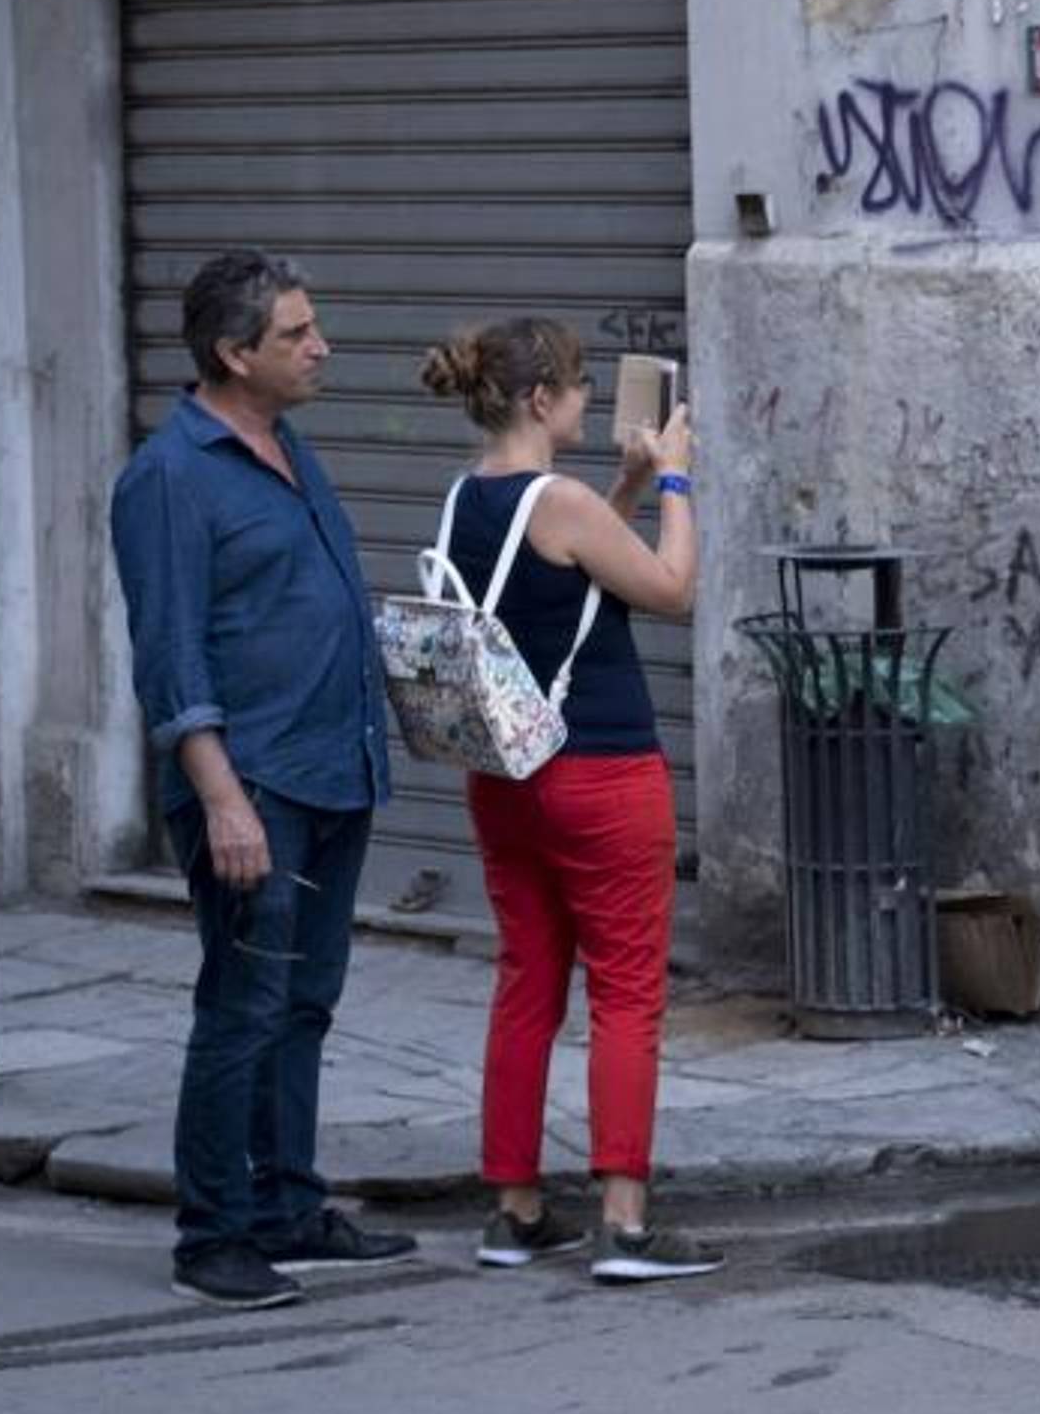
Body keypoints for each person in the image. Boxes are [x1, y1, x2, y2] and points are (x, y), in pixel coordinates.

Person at [109, 250, 410, 1309]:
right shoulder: (170, 476)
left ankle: (288, 1207)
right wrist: (222, 795)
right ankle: (213, 1236)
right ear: (235, 354)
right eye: (295, 334)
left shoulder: (286, 446)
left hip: (333, 772)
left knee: (305, 1003)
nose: (320, 346)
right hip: (254, 787)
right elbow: (169, 656)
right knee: (243, 1004)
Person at [419, 319, 718, 1283]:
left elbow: (572, 572)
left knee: (527, 984)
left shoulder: (469, 495)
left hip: (505, 777)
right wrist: (673, 477)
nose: (592, 403)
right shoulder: (561, 500)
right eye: (582, 388)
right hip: (600, 772)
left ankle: (514, 1208)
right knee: (628, 991)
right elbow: (670, 587)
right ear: (539, 400)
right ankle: (624, 1222)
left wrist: (624, 485)